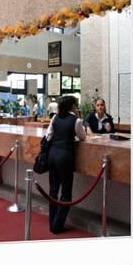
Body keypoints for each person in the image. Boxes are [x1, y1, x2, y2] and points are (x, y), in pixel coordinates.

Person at [46, 95, 86, 234]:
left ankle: (52, 223)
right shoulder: (77, 120)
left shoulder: (55, 118)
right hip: (65, 157)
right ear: (72, 106)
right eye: (75, 104)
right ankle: (57, 225)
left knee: (53, 190)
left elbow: (49, 135)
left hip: (52, 154)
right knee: (66, 192)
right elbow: (83, 137)